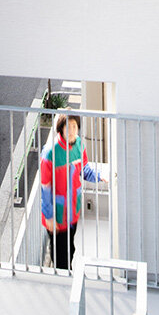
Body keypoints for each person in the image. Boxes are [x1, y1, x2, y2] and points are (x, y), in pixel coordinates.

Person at [41, 113, 103, 270]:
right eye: (68, 127)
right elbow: (45, 186)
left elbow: (84, 168)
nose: (71, 130)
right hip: (57, 214)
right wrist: (49, 216)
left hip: (73, 211)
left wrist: (99, 176)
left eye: (74, 127)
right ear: (60, 129)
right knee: (60, 253)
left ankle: (66, 275)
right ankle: (64, 281)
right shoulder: (50, 152)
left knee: (70, 248)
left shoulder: (79, 145)